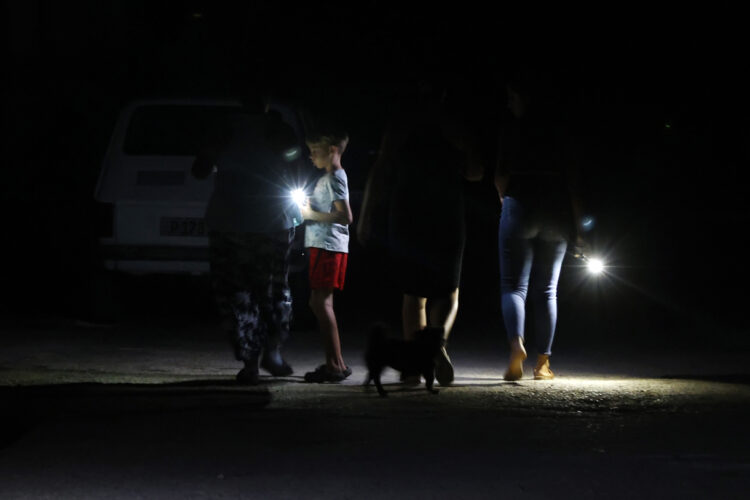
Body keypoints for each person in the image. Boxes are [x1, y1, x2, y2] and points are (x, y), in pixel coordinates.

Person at [358, 74, 484, 387]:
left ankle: (413, 368)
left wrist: (366, 214)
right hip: (446, 211)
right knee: (449, 292)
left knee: (413, 294)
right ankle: (436, 347)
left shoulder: (401, 122)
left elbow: (381, 169)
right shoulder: (454, 125)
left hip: (406, 210)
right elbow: (475, 173)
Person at [192, 101, 303, 385]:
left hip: (243, 221)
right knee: (263, 290)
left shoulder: (228, 128)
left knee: (245, 292)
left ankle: (258, 358)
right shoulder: (268, 128)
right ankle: (263, 356)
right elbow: (299, 165)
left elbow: (200, 168)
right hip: (259, 222)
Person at [495, 66, 588, 381]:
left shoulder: (512, 129)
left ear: (522, 97)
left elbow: (500, 175)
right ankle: (543, 363)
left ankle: (515, 347)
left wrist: (505, 199)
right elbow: (574, 183)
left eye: (511, 97)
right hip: (556, 211)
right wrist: (579, 230)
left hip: (520, 203)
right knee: (548, 290)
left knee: (513, 286)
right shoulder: (561, 130)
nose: (508, 103)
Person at [299, 130, 354, 383]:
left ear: (332, 150)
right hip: (326, 245)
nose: (311, 156)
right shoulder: (331, 178)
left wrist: (311, 215)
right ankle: (338, 363)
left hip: (327, 246)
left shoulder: (334, 177)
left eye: (315, 151)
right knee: (320, 302)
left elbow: (345, 216)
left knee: (321, 303)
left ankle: (334, 365)